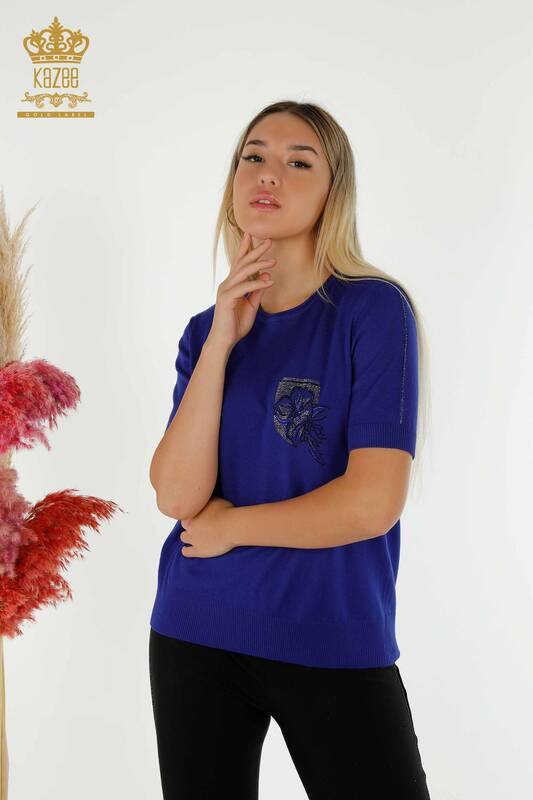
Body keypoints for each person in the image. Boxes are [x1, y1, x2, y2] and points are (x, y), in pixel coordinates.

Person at [148, 100, 432, 799]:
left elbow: (372, 503)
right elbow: (176, 496)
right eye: (254, 155)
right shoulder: (205, 330)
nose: (268, 173)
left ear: (333, 193)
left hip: (329, 633)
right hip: (196, 630)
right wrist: (223, 339)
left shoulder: (372, 310)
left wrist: (233, 528)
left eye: (298, 162)